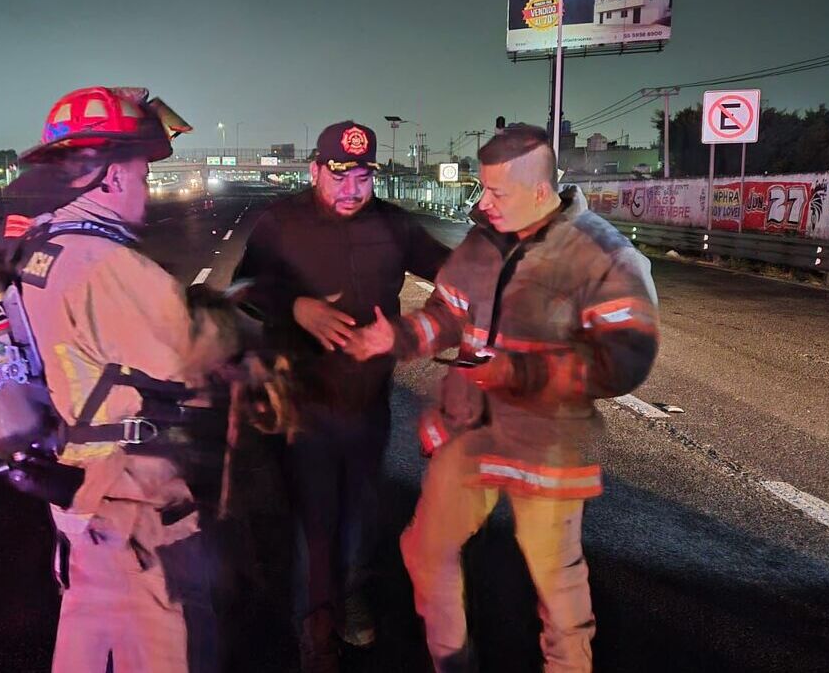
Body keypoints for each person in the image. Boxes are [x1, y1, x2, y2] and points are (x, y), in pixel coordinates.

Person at [346, 125, 660, 672]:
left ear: (540, 192)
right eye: (482, 188)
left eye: (496, 193)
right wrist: (396, 337)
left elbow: (625, 359)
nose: (481, 202)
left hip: (546, 445)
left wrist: (519, 370)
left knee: (558, 589)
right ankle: (453, 663)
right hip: (470, 431)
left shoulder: (604, 256)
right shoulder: (482, 241)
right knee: (423, 549)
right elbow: (447, 314)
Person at [0, 86, 229, 672]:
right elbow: (198, 360)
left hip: (80, 510)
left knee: (84, 642)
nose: (146, 184)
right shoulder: (113, 268)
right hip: (135, 517)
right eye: (142, 170)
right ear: (111, 176)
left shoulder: (40, 247)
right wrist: (232, 317)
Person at [232, 120, 449, 671]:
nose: (352, 189)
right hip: (301, 402)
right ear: (314, 171)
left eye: (363, 177)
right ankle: (316, 630)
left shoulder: (394, 225)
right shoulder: (280, 222)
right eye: (339, 175)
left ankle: (347, 593)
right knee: (317, 521)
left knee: (360, 512)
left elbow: (454, 277)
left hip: (369, 402)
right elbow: (244, 289)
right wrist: (297, 307)